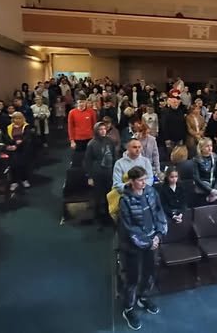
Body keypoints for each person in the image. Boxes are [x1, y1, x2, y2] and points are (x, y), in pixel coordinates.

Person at [118, 166, 168, 331]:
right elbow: (129, 228)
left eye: (145, 179)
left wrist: (158, 234)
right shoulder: (125, 201)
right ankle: (128, 309)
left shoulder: (151, 192)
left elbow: (159, 212)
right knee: (132, 278)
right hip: (133, 246)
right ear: (132, 181)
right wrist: (148, 242)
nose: (144, 183)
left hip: (152, 240)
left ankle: (144, 297)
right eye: (140, 180)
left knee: (149, 273)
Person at [84, 122, 116, 228]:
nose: (103, 131)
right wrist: (89, 176)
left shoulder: (110, 141)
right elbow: (87, 161)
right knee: (98, 196)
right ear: (96, 131)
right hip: (97, 173)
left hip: (109, 172)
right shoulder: (91, 144)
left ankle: (108, 215)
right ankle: (97, 217)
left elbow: (114, 157)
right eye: (100, 129)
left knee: (109, 195)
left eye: (104, 129)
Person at [3, 112, 35, 191]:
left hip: (23, 149)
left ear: (22, 118)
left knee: (22, 165)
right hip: (12, 148)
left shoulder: (26, 126)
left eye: (19, 118)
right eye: (15, 118)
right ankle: (14, 182)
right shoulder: (9, 127)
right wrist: (10, 145)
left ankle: (24, 179)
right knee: (12, 166)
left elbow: (27, 138)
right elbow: (6, 137)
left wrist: (17, 145)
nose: (17, 120)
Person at [192, 138, 217, 205]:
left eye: (211, 146)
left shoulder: (215, 157)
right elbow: (196, 178)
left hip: (213, 188)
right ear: (201, 148)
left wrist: (215, 189)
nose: (210, 148)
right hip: (202, 189)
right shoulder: (196, 159)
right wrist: (210, 190)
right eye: (207, 146)